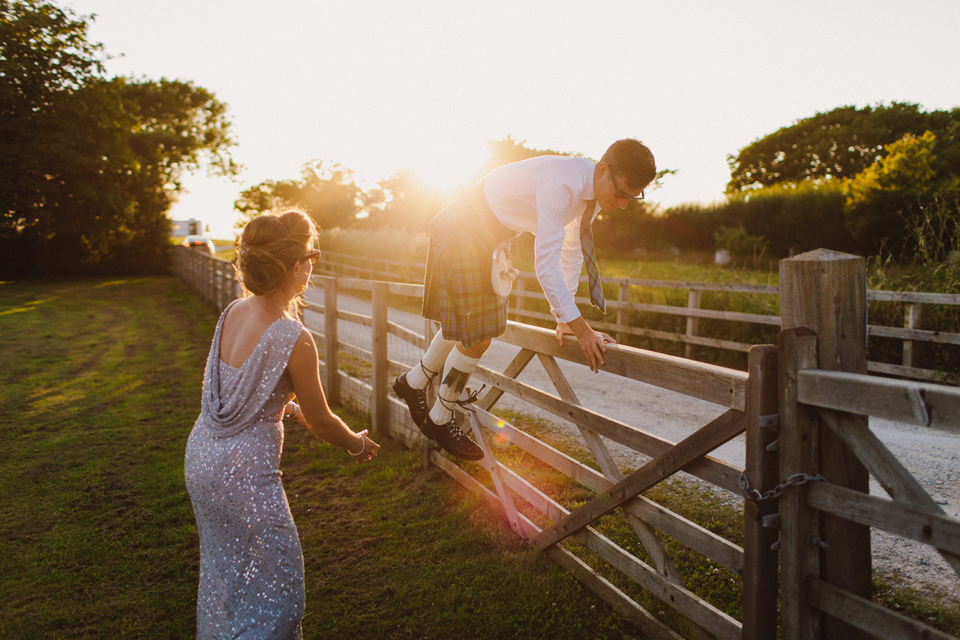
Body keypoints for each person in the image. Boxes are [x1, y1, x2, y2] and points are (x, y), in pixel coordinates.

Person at [393, 139, 656, 460]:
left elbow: (571, 251)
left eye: (633, 197)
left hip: (488, 237)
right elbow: (545, 265)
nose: (624, 203)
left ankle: (413, 382)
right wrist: (582, 329)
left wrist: (564, 318)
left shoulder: (590, 193)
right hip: (462, 229)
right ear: (603, 171)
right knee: (478, 337)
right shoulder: (560, 185)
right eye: (622, 193)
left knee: (473, 326)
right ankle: (440, 418)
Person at [184, 209, 380, 638]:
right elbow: (323, 421)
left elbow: (229, 393)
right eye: (312, 254)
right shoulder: (293, 337)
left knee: (225, 576)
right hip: (244, 480)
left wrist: (284, 409)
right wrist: (356, 444)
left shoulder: (232, 311)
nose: (314, 263)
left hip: (201, 461)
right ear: (295, 267)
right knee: (281, 596)